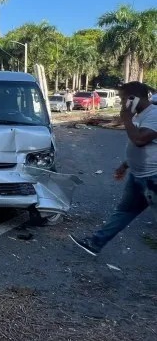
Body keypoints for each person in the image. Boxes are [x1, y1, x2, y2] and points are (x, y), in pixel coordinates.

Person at [70, 81, 157, 255]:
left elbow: (140, 140)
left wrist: (125, 116)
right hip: (138, 175)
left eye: (123, 98)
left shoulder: (154, 115)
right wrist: (124, 165)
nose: (121, 102)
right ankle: (95, 243)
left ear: (134, 98)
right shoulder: (140, 116)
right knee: (124, 212)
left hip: (152, 179)